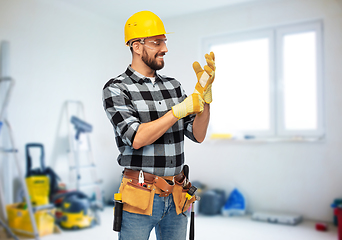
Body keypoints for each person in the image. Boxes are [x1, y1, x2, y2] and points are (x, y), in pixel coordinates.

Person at [102, 10, 215, 240]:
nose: (164, 48)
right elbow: (136, 138)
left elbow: (198, 134)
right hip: (140, 195)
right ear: (136, 46)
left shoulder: (174, 86)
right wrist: (176, 112)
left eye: (164, 41)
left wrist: (204, 102)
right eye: (157, 42)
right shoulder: (116, 88)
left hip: (177, 194)